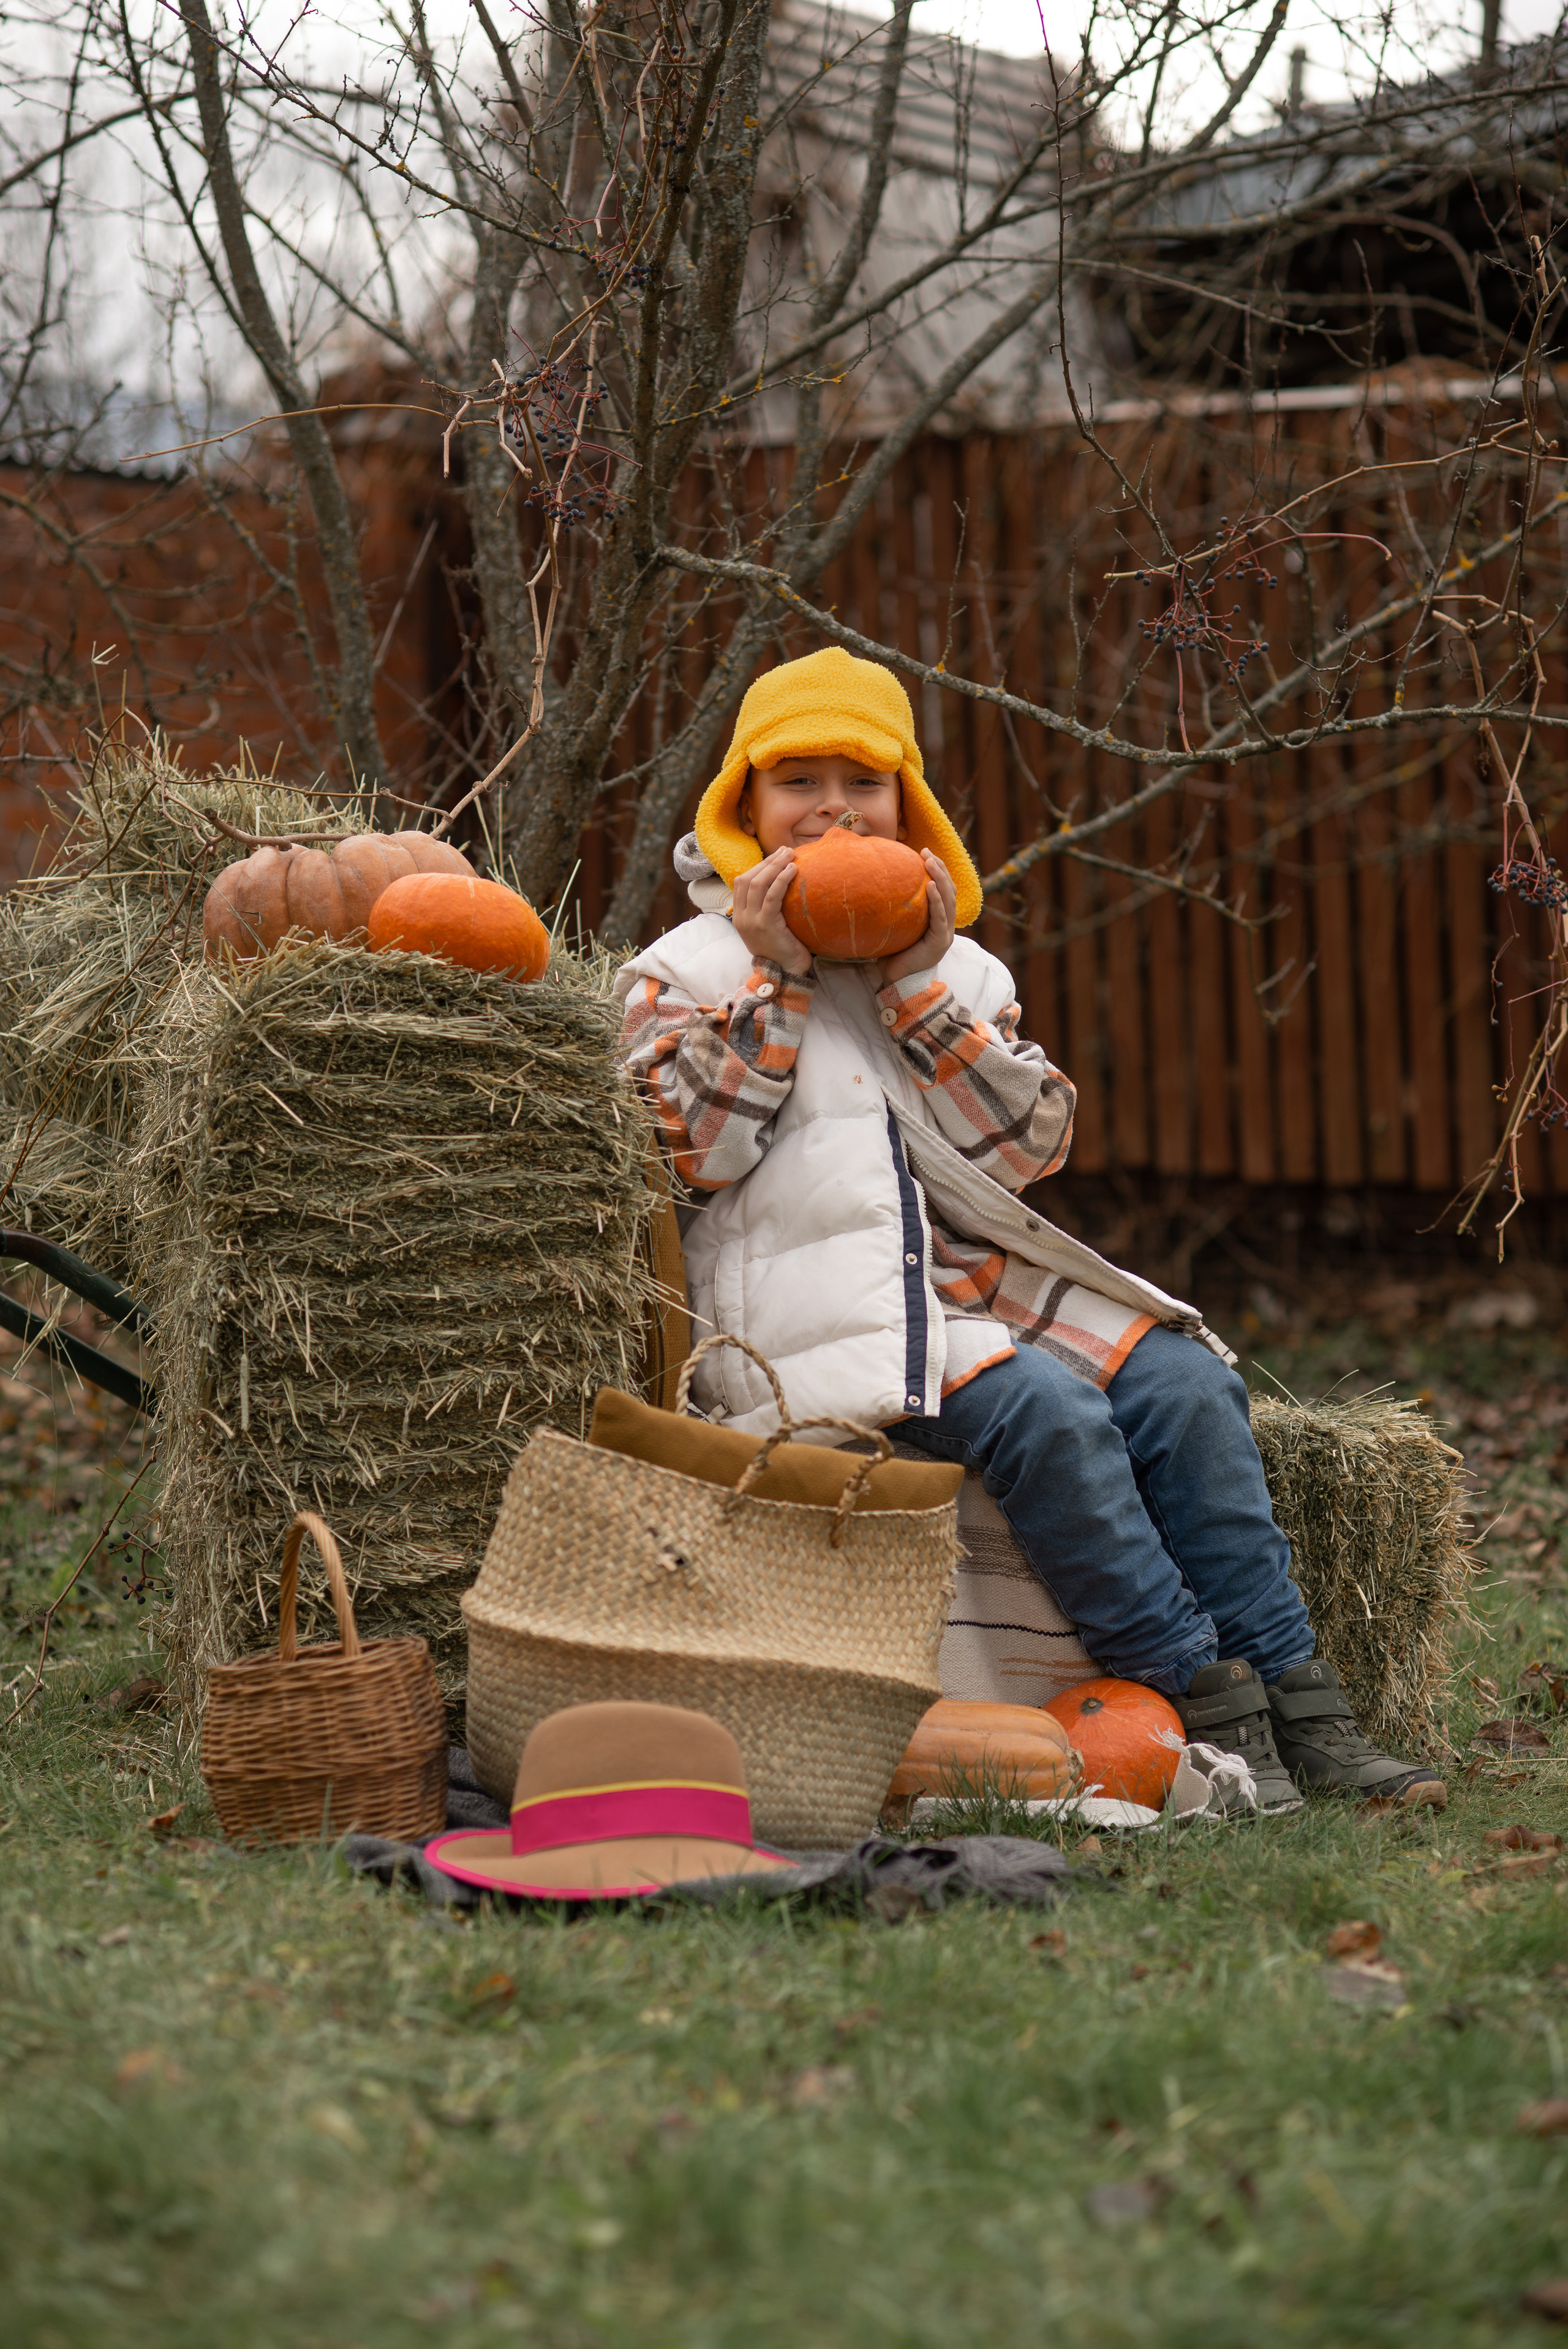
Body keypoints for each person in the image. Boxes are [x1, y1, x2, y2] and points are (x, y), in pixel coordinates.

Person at [614, 646, 1444, 1814]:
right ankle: (1201, 1704)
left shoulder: (958, 966)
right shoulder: (683, 971)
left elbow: (1023, 1150)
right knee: (1048, 1413)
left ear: (909, 807)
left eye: (865, 783)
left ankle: (1311, 1706)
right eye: (797, 782)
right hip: (815, 1318)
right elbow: (692, 1152)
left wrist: (913, 986)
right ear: (743, 806)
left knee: (1185, 1387)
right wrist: (785, 981)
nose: (833, 811)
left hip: (974, 1293)